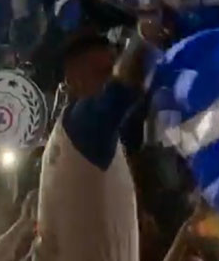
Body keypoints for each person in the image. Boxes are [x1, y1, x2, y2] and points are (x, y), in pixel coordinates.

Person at [33, 26, 162, 261]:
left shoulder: (78, 141)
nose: (110, 79)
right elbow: (120, 92)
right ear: (74, 79)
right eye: (103, 73)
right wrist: (145, 34)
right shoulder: (81, 126)